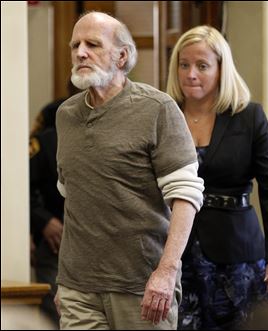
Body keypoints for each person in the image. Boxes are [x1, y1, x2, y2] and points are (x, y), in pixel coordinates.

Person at [54, 12, 204, 330]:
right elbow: (74, 200)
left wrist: (167, 272)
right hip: (78, 290)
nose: (80, 52)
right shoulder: (65, 115)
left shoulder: (158, 109)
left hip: (143, 286)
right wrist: (64, 281)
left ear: (122, 56)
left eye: (93, 44)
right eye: (75, 45)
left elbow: (186, 198)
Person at [166, 25, 268, 330]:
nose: (191, 74)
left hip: (238, 256)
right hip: (176, 251)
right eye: (184, 65)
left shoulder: (248, 116)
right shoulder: (164, 115)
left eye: (202, 66)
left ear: (222, 70)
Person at [29, 81, 80, 327]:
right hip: (55, 243)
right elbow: (21, 188)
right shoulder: (48, 138)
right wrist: (43, 221)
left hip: (101, 243)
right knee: (57, 318)